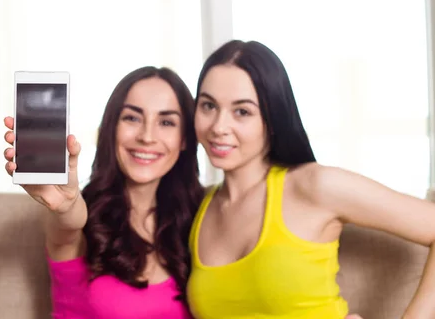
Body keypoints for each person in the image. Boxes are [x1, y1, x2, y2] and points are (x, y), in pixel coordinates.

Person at [186, 40, 435, 319]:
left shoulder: (314, 186)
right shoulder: (197, 207)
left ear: (272, 118)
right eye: (208, 106)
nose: (219, 126)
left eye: (242, 111)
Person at [3, 66, 205, 319]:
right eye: (132, 118)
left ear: (184, 139)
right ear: (111, 128)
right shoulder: (85, 216)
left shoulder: (201, 217)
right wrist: (67, 204)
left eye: (166, 122)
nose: (147, 136)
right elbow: (68, 224)